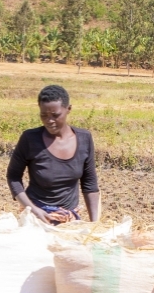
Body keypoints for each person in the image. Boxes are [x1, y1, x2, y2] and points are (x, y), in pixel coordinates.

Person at [7, 85, 100, 224]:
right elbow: (13, 177)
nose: (49, 121)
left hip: (69, 219)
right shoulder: (30, 139)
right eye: (44, 115)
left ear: (68, 109)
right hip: (36, 218)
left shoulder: (84, 139)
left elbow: (89, 184)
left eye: (55, 115)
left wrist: (94, 224)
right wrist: (33, 209)